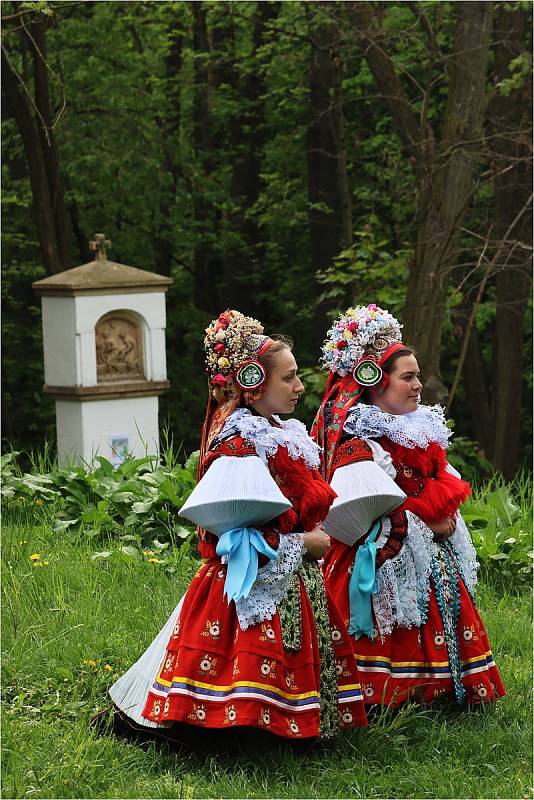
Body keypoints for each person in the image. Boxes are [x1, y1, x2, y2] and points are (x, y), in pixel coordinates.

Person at [109, 309, 367, 744]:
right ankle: (238, 730)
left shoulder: (284, 431)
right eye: (289, 378)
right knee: (227, 680)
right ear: (253, 382)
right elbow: (225, 535)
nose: (300, 387)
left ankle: (284, 725)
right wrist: (301, 543)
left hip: (296, 575)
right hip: (247, 580)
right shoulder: (238, 443)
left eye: (298, 376)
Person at [311, 304, 506, 707]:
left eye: (417, 376)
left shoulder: (420, 430)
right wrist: (427, 524)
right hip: (382, 554)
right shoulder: (360, 440)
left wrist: (445, 519)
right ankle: (388, 695)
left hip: (432, 551)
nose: (419, 386)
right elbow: (364, 508)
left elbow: (441, 482)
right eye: (408, 377)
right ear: (376, 383)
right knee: (391, 615)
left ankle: (444, 689)